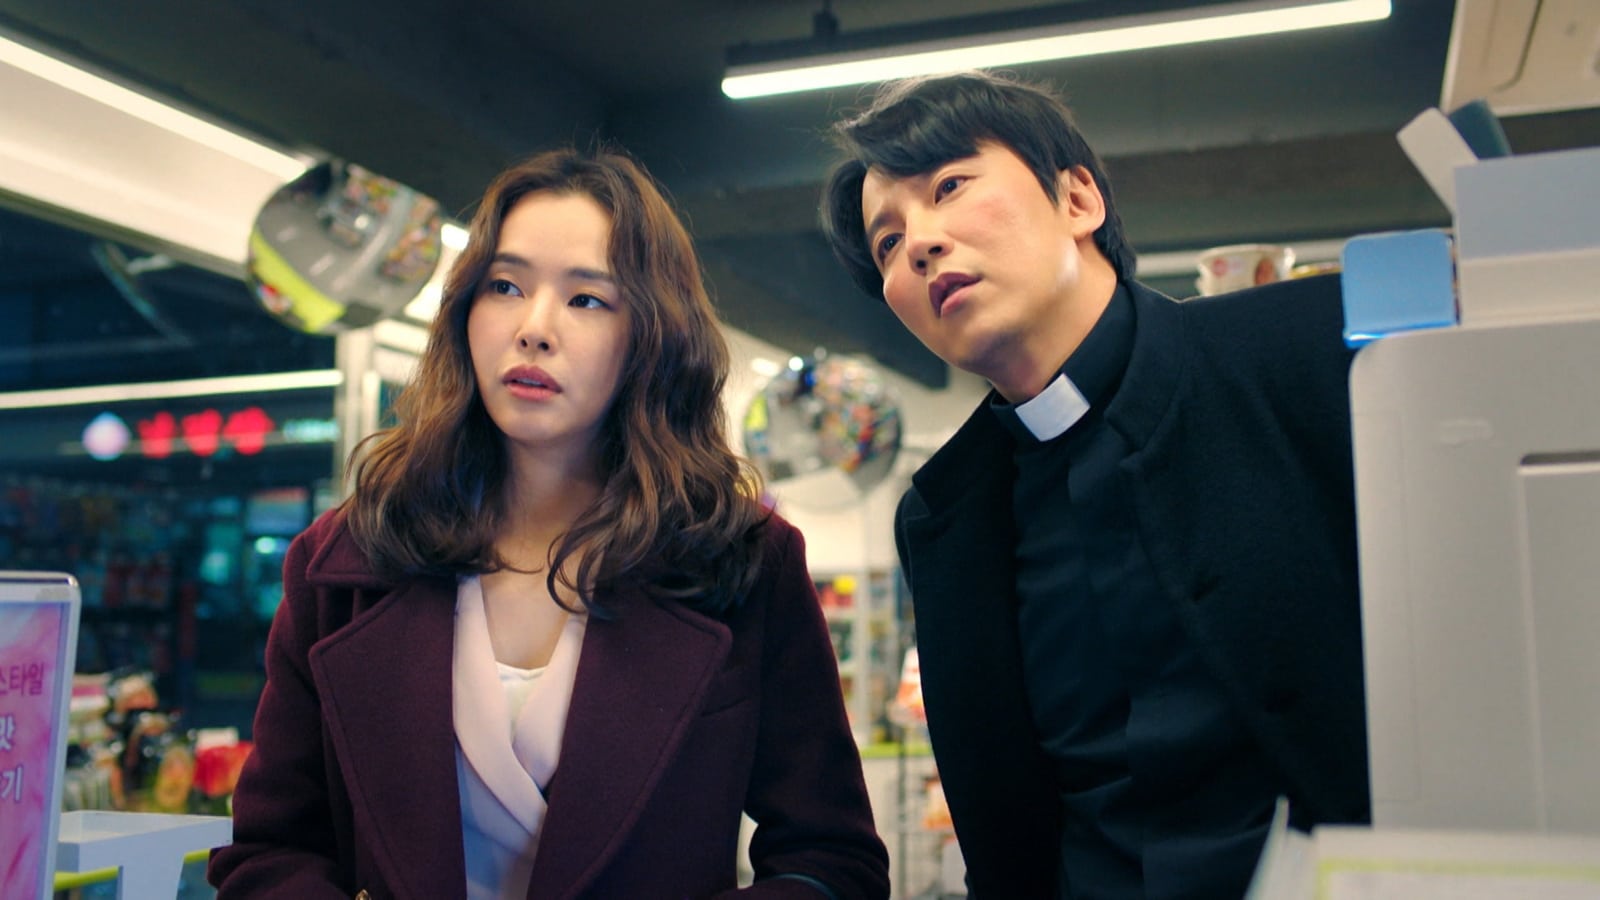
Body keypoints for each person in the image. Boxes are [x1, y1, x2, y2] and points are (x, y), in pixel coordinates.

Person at [210, 147, 890, 899]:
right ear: (465, 312)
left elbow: (831, 859)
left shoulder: (740, 561)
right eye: (505, 286)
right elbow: (269, 851)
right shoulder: (346, 558)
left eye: (587, 299)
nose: (533, 328)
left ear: (652, 337)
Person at [820, 71, 1368, 898]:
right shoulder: (945, 516)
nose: (920, 244)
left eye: (950, 186)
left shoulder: (1307, 350)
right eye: (887, 243)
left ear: (1077, 199)